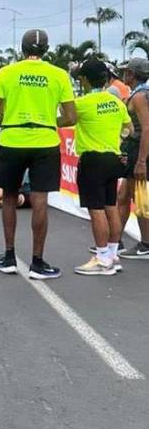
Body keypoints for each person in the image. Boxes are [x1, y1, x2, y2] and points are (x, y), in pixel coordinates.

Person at [0, 29, 77, 279]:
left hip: (12, 139)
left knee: (9, 198)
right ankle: (38, 262)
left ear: (21, 49)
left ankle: (9, 256)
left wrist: (14, 120)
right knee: (40, 200)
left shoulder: (7, 72)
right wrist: (46, 121)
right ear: (46, 50)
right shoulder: (59, 75)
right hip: (45, 141)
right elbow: (70, 117)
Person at [70, 58, 131, 275]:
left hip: (92, 160)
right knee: (110, 206)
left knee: (96, 210)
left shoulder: (82, 103)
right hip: (113, 159)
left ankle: (102, 257)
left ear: (84, 80)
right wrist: (116, 142)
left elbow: (62, 121)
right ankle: (113, 254)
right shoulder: (117, 102)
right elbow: (129, 129)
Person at [117, 57, 149, 260]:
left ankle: (145, 244)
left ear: (131, 74)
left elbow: (146, 128)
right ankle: (114, 241)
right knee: (124, 196)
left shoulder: (139, 97)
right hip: (135, 151)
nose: (123, 75)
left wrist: (141, 161)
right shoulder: (140, 94)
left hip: (139, 152)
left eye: (126, 72)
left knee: (139, 198)